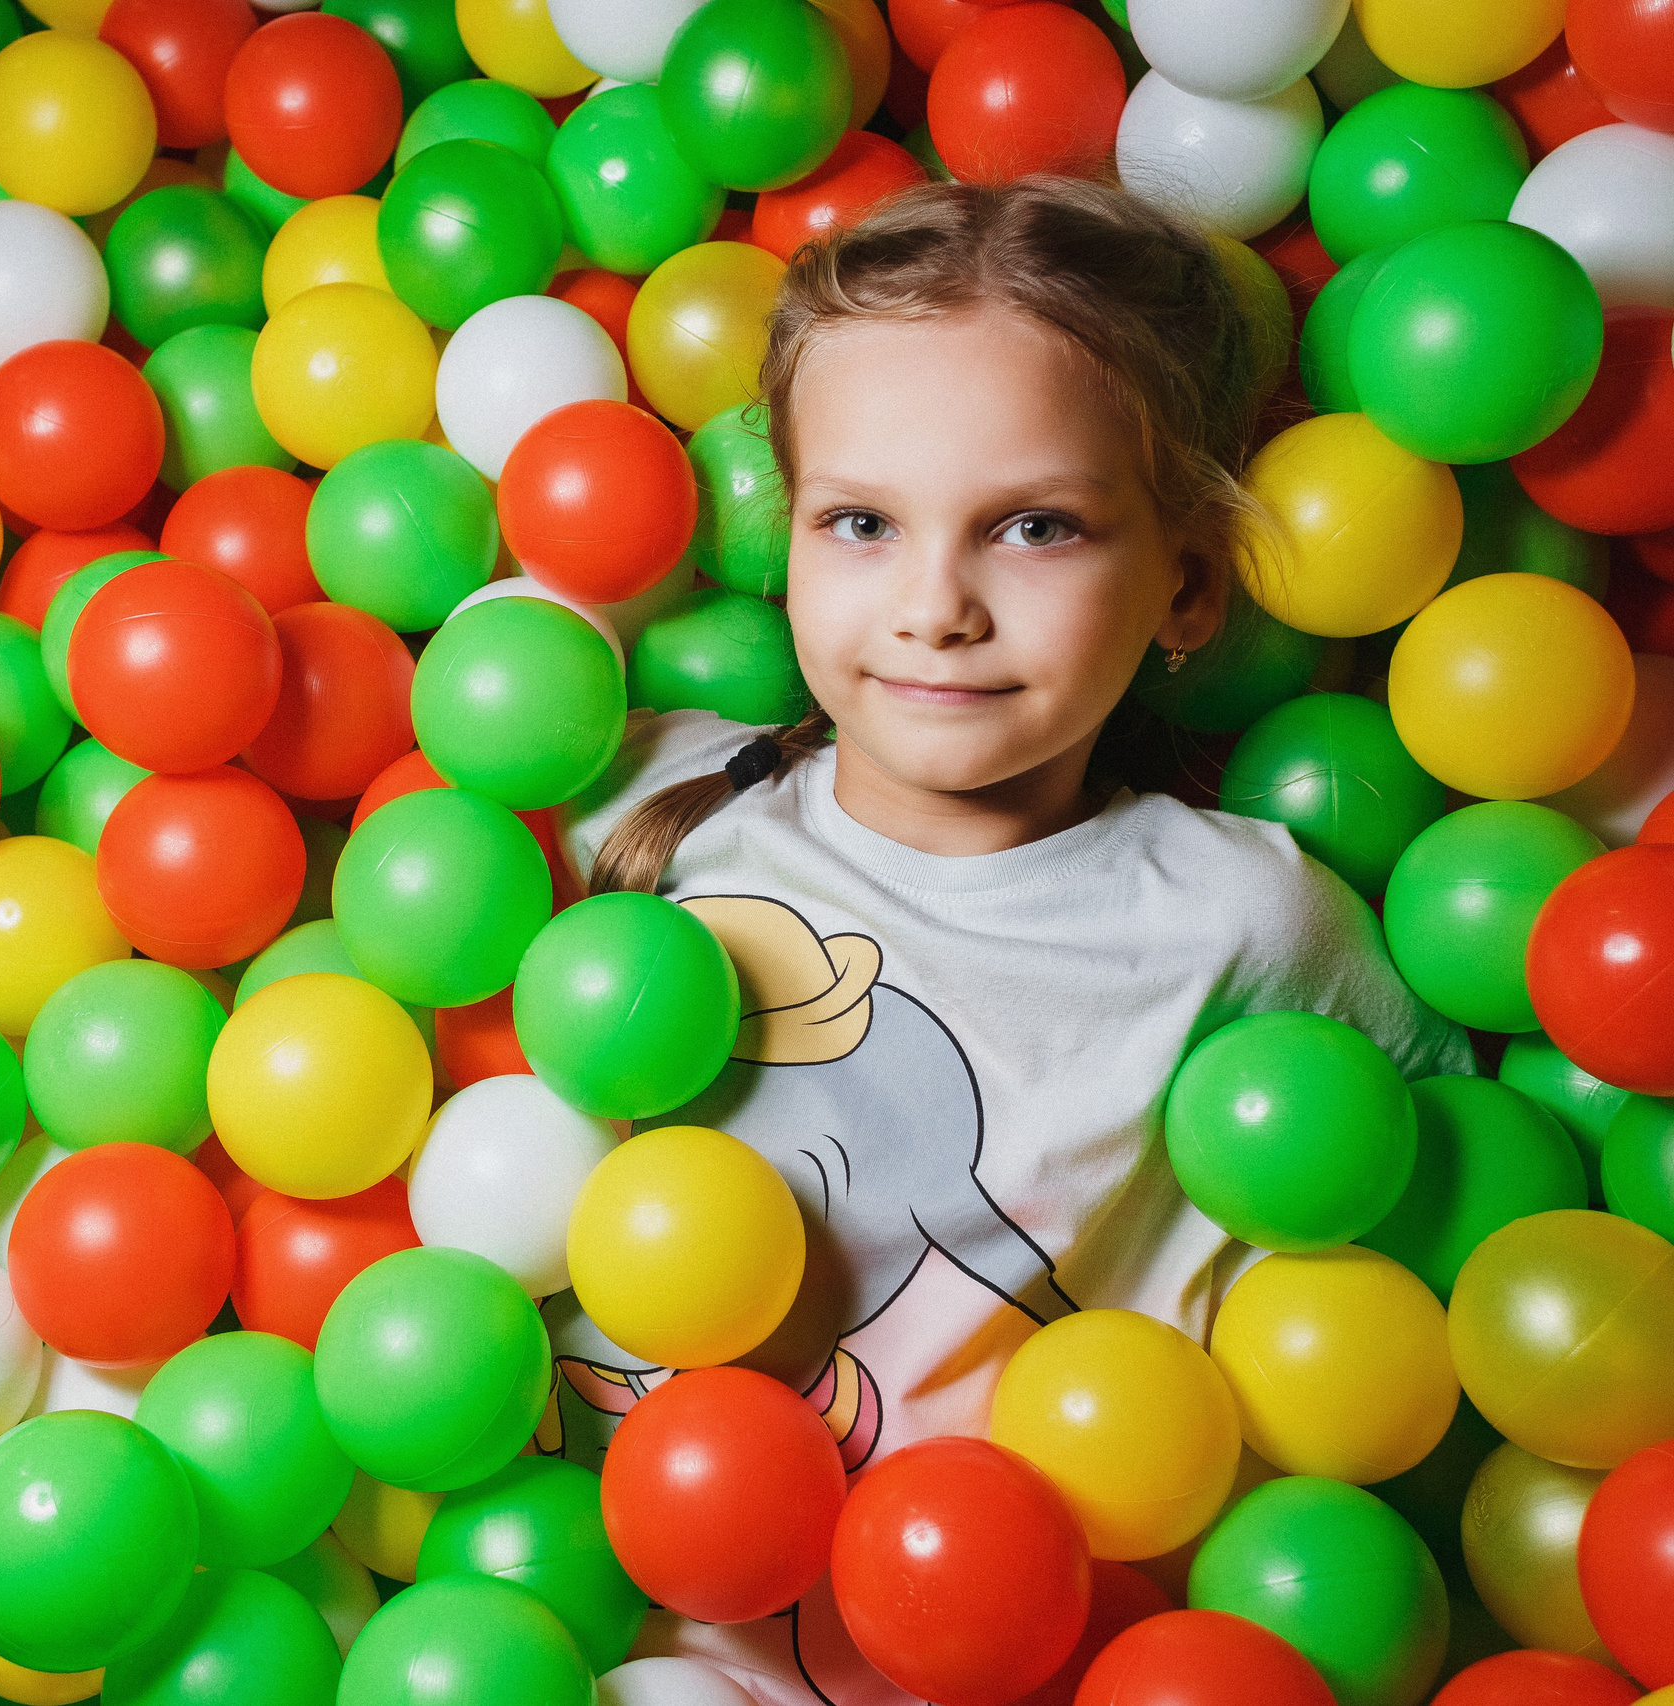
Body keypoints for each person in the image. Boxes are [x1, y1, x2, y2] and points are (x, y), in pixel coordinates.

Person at [544, 176, 1472, 1704]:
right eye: (861, 522)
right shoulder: (650, 795)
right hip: (584, 1630)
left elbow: (1442, 1166)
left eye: (1033, 526)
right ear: (789, 545)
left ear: (1182, 580)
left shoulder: (1243, 916)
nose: (935, 607)